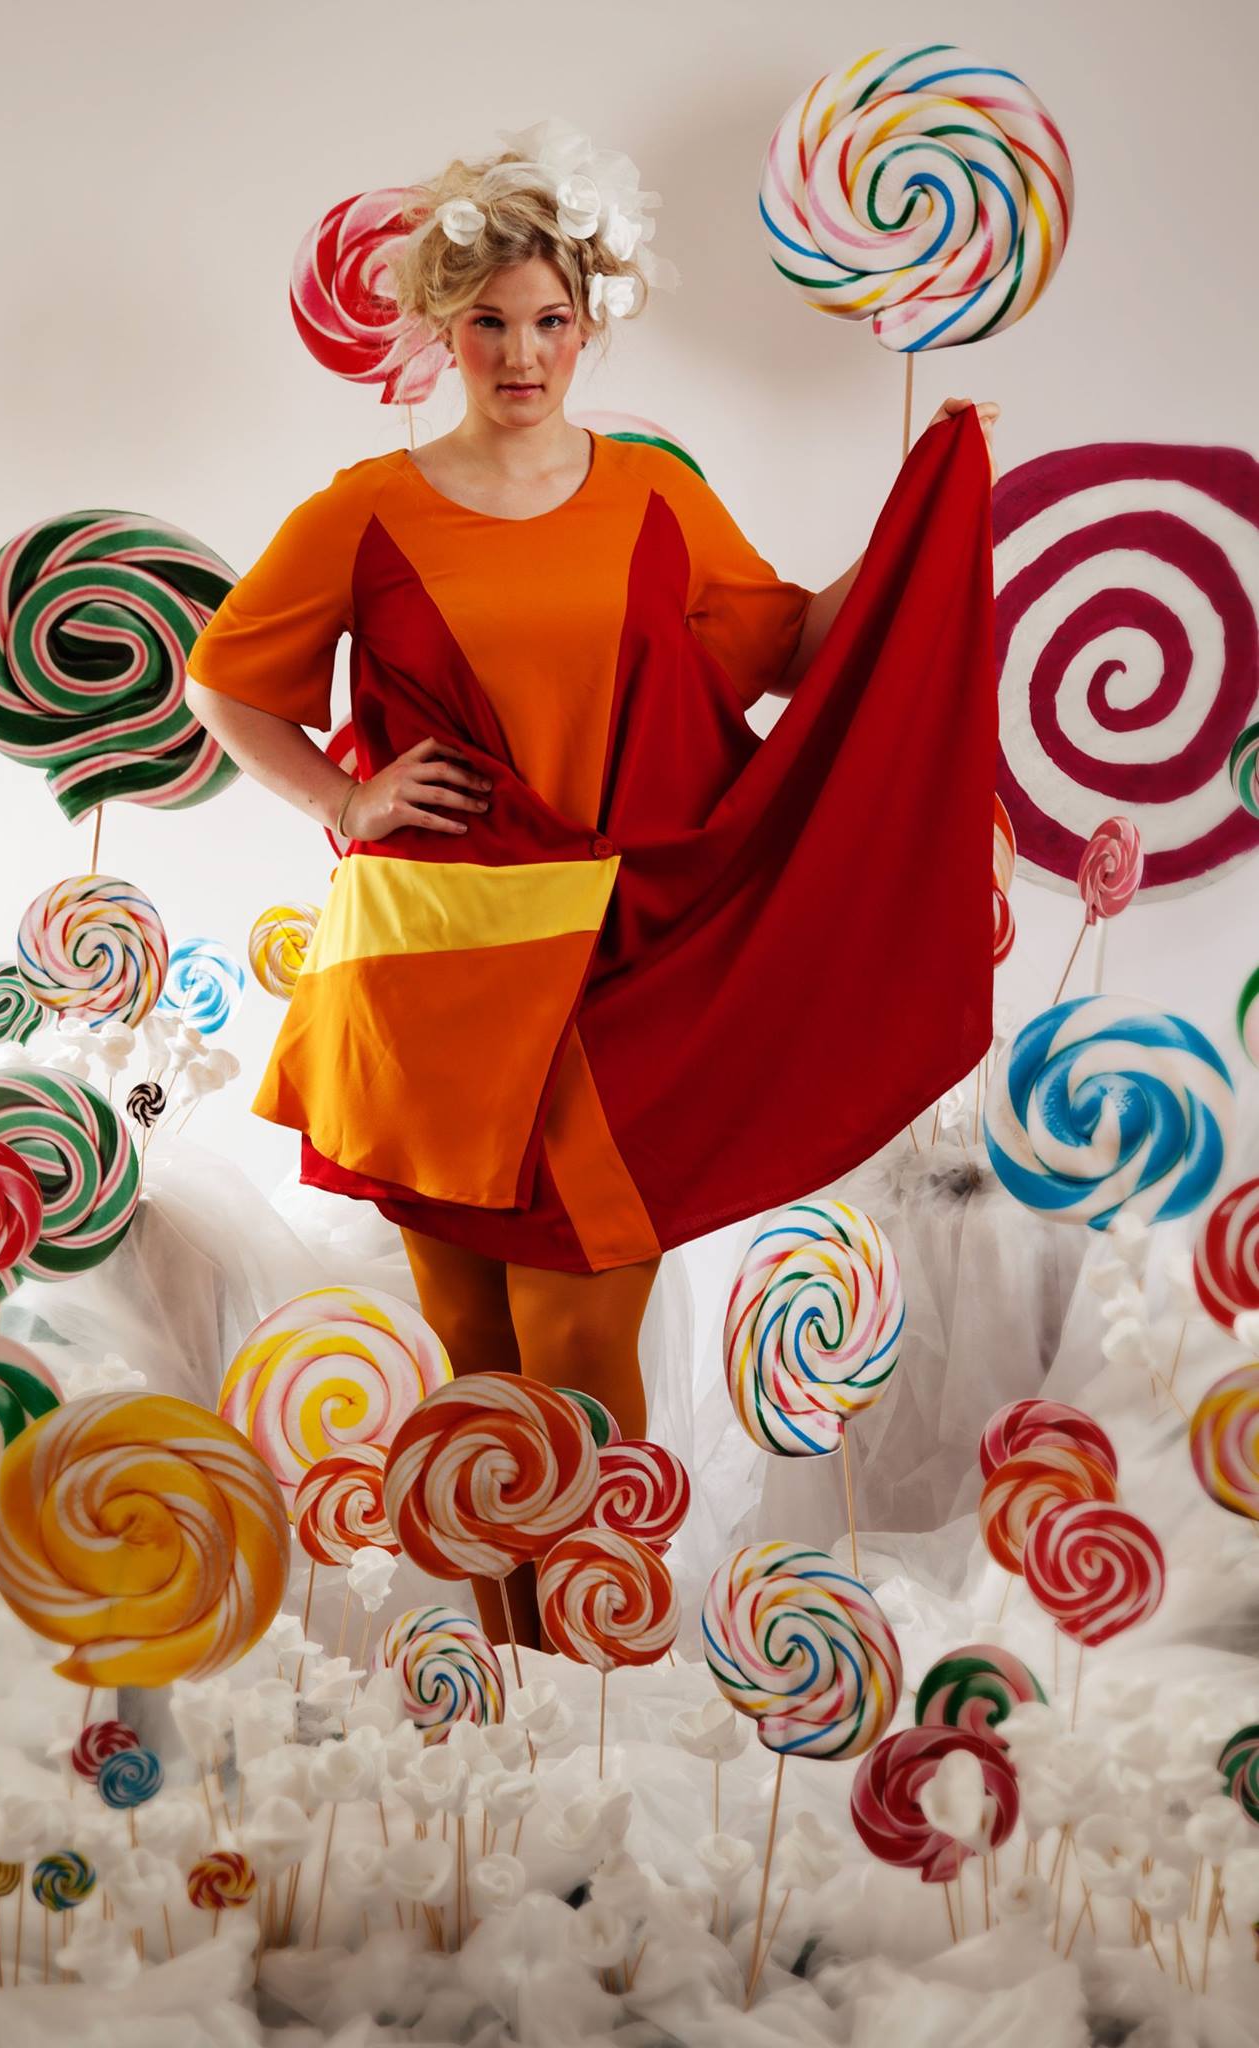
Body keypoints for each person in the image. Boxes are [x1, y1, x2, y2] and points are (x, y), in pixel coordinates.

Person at [184, 122, 1000, 1647]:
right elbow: (222, 682)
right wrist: (345, 799)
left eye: (549, 320)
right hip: (424, 971)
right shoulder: (364, 509)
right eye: (489, 321)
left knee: (576, 1341)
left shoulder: (650, 497)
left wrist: (929, 502)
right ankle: (517, 1697)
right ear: (444, 329)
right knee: (475, 1357)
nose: (521, 354)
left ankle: (587, 1668)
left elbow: (796, 646)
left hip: (604, 966)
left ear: (589, 323)